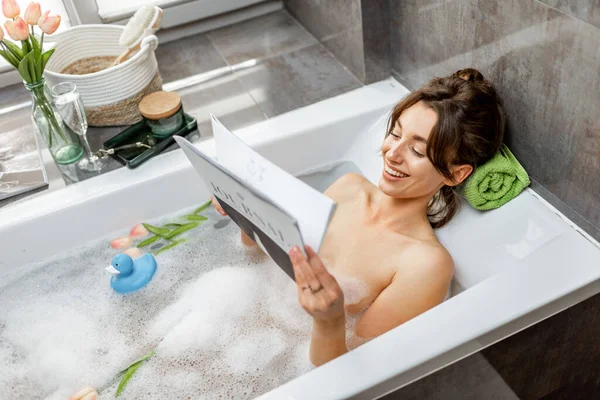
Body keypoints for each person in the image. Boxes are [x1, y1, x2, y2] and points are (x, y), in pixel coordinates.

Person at [213, 68, 505, 367]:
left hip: (281, 362)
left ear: (456, 174)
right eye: (395, 133)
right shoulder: (349, 187)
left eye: (417, 150)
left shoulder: (425, 263)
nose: (392, 153)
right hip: (232, 326)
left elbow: (349, 371)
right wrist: (245, 214)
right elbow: (257, 259)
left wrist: (329, 321)